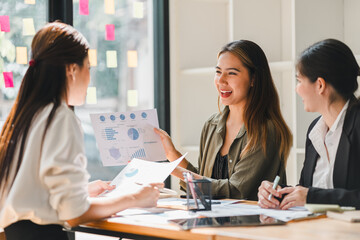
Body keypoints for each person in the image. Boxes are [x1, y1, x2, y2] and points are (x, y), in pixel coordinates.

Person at [0, 22, 162, 240]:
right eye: (89, 67)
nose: (90, 78)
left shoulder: (25, 117)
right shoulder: (59, 118)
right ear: (72, 69)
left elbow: (31, 196)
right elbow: (74, 213)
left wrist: (83, 191)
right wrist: (135, 198)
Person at [155, 40, 292, 200]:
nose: (221, 80)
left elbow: (236, 190)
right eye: (218, 72)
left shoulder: (265, 131)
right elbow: (205, 183)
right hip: (210, 222)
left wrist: (174, 171)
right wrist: (172, 155)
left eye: (231, 73)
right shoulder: (212, 125)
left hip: (250, 223)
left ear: (253, 79)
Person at [257, 39, 360, 210]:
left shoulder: (357, 124)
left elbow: (312, 195)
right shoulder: (315, 131)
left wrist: (311, 196)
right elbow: (305, 190)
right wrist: (278, 194)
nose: (297, 89)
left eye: (299, 80)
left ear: (320, 85)